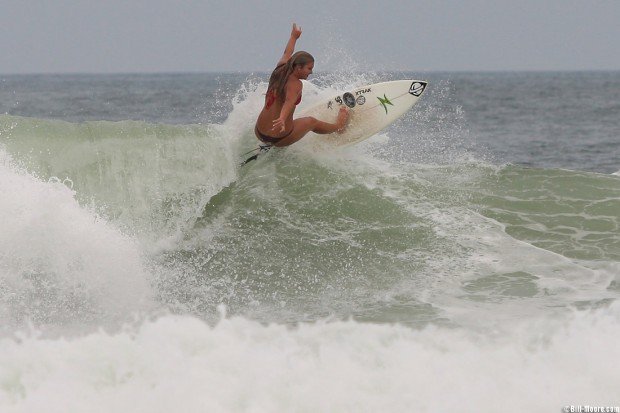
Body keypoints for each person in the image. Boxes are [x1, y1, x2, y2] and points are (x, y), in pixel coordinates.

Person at [254, 23, 349, 147]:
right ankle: (339, 127)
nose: (311, 72)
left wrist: (294, 37)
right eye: (309, 68)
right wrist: (282, 119)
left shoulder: (280, 68)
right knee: (311, 122)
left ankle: (268, 144)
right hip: (280, 137)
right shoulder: (295, 84)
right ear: (298, 67)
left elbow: (287, 52)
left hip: (259, 131)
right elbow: (288, 102)